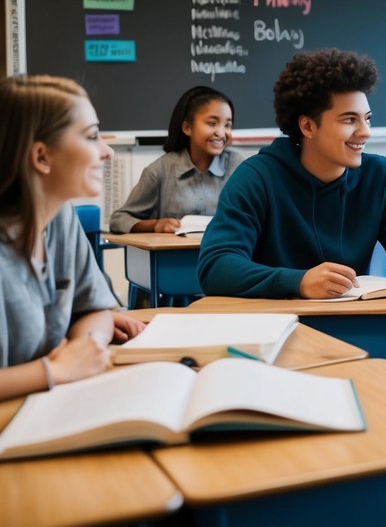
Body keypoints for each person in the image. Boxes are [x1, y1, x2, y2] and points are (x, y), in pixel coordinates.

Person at [197, 49, 386, 298]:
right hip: (277, 322)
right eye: (349, 120)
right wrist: (298, 282)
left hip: (353, 320)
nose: (365, 131)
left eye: (367, 119)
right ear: (307, 126)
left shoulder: (379, 175)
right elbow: (216, 266)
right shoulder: (257, 178)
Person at [0, 75, 146, 401]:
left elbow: (93, 309)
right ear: (41, 157)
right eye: (92, 136)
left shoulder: (60, 215)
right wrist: (55, 372)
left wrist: (86, 348)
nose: (106, 151)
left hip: (51, 407)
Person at [109, 85, 244, 233]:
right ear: (187, 128)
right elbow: (118, 220)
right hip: (173, 255)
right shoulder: (160, 170)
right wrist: (156, 225)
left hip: (224, 253)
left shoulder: (239, 166)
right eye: (212, 123)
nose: (221, 132)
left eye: (228, 125)